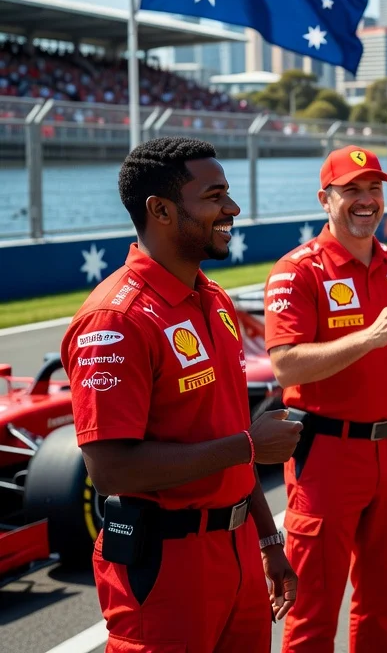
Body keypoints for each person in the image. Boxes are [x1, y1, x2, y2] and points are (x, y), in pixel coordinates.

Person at [61, 138, 302, 652]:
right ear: (161, 210)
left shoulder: (212, 299)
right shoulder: (116, 319)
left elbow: (228, 429)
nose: (232, 208)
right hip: (165, 564)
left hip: (236, 551)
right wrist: (249, 448)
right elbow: (111, 471)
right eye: (215, 196)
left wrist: (266, 536)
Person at [264, 146, 387, 652]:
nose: (366, 200)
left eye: (374, 189)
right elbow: (285, 364)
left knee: (382, 603)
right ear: (325, 199)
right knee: (312, 614)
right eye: (352, 190)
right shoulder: (298, 270)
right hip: (327, 456)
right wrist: (368, 338)